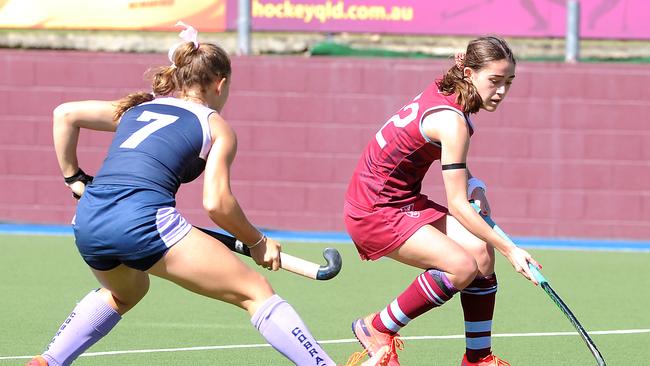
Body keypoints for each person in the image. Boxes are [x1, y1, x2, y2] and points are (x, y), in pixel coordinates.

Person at [27, 23, 388, 366]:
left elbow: (65, 114)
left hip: (88, 220)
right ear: (220, 83)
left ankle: (48, 360)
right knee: (255, 291)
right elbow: (216, 203)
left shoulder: (138, 108)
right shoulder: (214, 125)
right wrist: (258, 241)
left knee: (126, 293)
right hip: (142, 221)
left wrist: (74, 178)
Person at [343, 36, 541, 366]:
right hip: (374, 212)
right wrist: (512, 249)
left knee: (479, 252)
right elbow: (459, 206)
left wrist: (474, 183)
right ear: (468, 73)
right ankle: (377, 327)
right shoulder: (453, 121)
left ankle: (478, 358)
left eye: (508, 82)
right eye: (494, 81)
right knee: (462, 266)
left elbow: (454, 164)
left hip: (398, 200)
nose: (502, 91)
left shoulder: (446, 91)